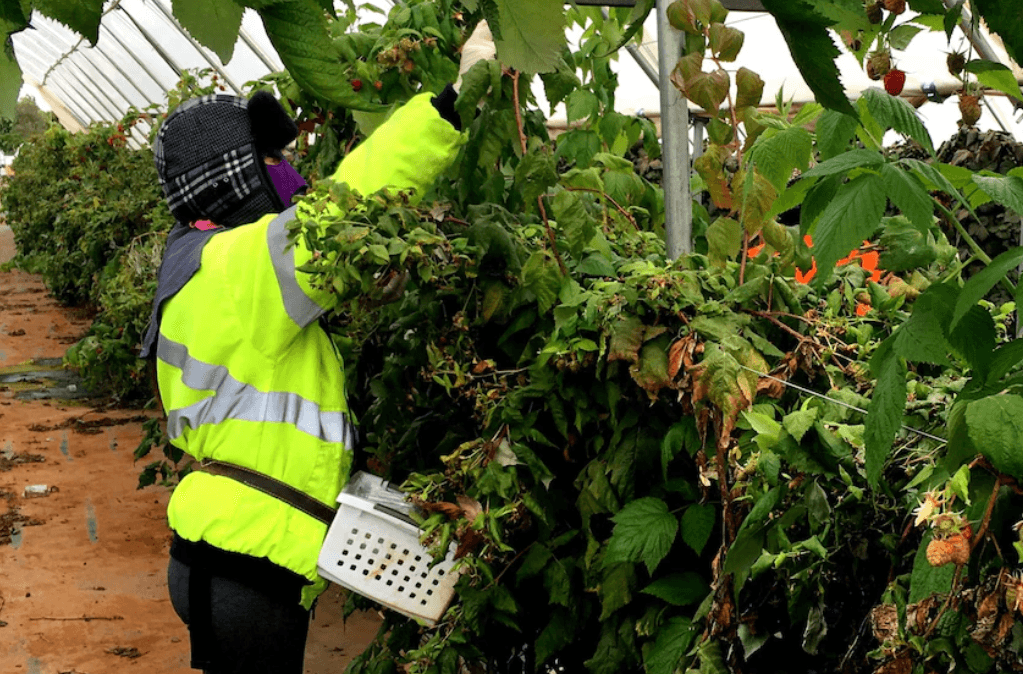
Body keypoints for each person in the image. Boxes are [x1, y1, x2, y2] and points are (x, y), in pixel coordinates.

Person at [139, 22, 496, 674]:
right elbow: (347, 209)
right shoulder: (239, 269)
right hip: (249, 559)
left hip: (217, 547)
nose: (290, 173)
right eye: (270, 161)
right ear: (236, 179)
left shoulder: (195, 260)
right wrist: (450, 101)